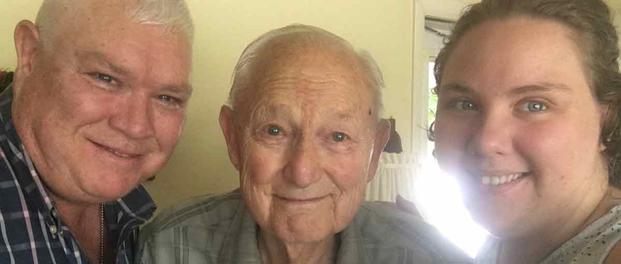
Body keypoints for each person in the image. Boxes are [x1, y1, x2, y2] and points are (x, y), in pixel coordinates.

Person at [138, 24, 470, 264]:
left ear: (374, 153)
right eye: (274, 131)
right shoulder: (167, 248)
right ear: (234, 139)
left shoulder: (429, 256)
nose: (302, 172)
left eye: (338, 137)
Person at [0, 0, 193, 263]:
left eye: (167, 98)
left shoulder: (151, 227)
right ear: (30, 54)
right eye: (105, 78)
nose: (136, 127)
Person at [430, 0, 621, 263]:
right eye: (466, 104)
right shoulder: (517, 238)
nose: (487, 141)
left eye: (534, 105)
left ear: (606, 118)